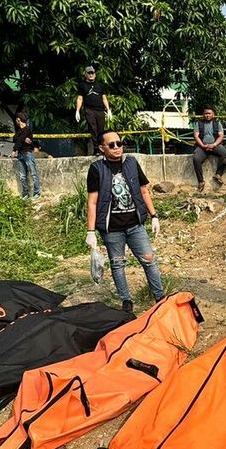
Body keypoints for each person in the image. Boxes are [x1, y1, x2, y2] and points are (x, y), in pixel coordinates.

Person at [85, 131, 163, 313]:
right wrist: (90, 231)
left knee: (149, 259)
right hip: (111, 229)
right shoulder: (96, 169)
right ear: (102, 148)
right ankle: (126, 301)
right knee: (118, 263)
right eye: (111, 145)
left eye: (119, 143)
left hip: (135, 225)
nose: (117, 148)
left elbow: (144, 191)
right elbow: (92, 201)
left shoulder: (131, 164)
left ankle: (159, 297)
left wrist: (154, 215)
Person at [75, 66, 112, 156]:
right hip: (89, 110)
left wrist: (108, 110)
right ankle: (96, 149)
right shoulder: (82, 85)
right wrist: (77, 110)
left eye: (92, 73)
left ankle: (101, 148)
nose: (91, 75)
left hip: (100, 110)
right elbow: (80, 98)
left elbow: (104, 98)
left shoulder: (100, 85)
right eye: (89, 73)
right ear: (86, 74)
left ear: (95, 74)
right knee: (93, 128)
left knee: (101, 130)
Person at [192, 106, 226, 191]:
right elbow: (196, 136)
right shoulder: (199, 123)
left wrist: (214, 144)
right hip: (202, 146)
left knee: (225, 154)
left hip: (215, 145)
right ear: (203, 114)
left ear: (213, 114)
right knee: (196, 159)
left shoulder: (217, 123)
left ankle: (218, 174)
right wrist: (202, 145)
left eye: (209, 113)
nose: (207, 115)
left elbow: (221, 136)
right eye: (206, 113)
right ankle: (201, 181)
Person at [12, 113, 41, 199]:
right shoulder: (19, 131)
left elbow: (19, 140)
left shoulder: (27, 129)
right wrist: (23, 139)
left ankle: (37, 193)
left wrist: (14, 150)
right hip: (20, 154)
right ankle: (25, 194)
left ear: (18, 119)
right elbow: (14, 138)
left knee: (33, 174)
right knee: (22, 176)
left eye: (16, 120)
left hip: (27, 154)